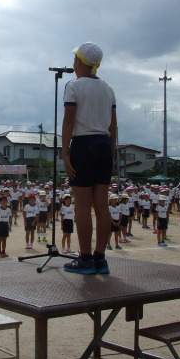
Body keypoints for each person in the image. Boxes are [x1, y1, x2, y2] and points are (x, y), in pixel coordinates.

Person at [62, 42, 116, 274]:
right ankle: (100, 258)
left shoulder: (73, 85)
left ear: (80, 62)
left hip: (83, 144)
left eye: (75, 58)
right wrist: (111, 152)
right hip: (104, 143)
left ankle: (84, 259)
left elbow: (69, 120)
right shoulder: (107, 88)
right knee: (101, 205)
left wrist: (65, 152)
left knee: (82, 205)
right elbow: (113, 125)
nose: (73, 63)